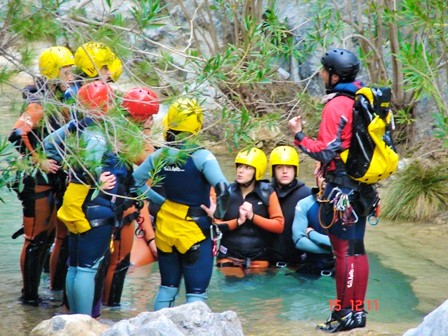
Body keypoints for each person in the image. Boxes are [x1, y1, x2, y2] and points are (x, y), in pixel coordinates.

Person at [288, 48, 377, 332]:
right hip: (362, 188)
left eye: (325, 71)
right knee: (357, 250)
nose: (322, 75)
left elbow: (326, 150)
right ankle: (357, 313)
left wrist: (299, 136)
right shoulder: (363, 100)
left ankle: (343, 315)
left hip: (342, 191)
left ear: (335, 75)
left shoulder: (337, 104)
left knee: (343, 254)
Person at [43, 80, 134, 316]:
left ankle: (74, 319)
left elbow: (48, 145)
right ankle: (83, 323)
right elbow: (93, 162)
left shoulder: (78, 126)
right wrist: (96, 179)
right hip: (97, 206)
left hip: (75, 204)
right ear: (107, 106)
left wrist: (67, 166)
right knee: (86, 269)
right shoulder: (98, 134)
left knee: (74, 266)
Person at [132, 98, 230, 310]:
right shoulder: (202, 157)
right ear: (196, 126)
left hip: (166, 228)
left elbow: (134, 183)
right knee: (196, 294)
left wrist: (161, 201)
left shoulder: (159, 155)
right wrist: (218, 215)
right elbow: (224, 190)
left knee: (167, 287)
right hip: (194, 230)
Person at [8, 45, 76, 305]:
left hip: (57, 179)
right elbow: (17, 135)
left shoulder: (62, 99)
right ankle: (29, 298)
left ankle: (56, 290)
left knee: (58, 237)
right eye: (65, 71)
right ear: (52, 73)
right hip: (37, 180)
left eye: (71, 70)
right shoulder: (39, 103)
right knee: (36, 241)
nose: (70, 75)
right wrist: (39, 160)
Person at [102, 87, 159, 307]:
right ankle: (109, 308)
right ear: (140, 116)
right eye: (150, 116)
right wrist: (144, 134)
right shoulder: (128, 138)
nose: (153, 120)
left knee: (107, 261)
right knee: (118, 261)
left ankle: (103, 307)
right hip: (117, 204)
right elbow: (152, 168)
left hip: (106, 202)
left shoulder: (115, 129)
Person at [211, 147, 284, 275]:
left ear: (257, 172)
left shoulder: (267, 192)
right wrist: (238, 222)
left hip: (259, 258)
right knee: (232, 288)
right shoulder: (226, 192)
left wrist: (252, 216)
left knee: (258, 292)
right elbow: (216, 227)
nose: (240, 171)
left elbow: (279, 225)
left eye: (247, 167)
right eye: (239, 166)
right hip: (230, 256)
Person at [268, 145, 311, 267]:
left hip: (296, 263)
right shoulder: (265, 192)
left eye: (289, 167)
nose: (284, 171)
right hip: (269, 262)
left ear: (295, 170)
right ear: (273, 171)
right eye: (279, 167)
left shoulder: (306, 195)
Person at [291, 163, 334, 276]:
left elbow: (346, 244)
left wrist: (312, 234)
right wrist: (333, 250)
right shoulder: (304, 204)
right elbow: (299, 241)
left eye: (329, 176)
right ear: (316, 177)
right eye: (322, 176)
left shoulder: (344, 206)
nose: (325, 180)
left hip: (337, 268)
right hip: (311, 266)